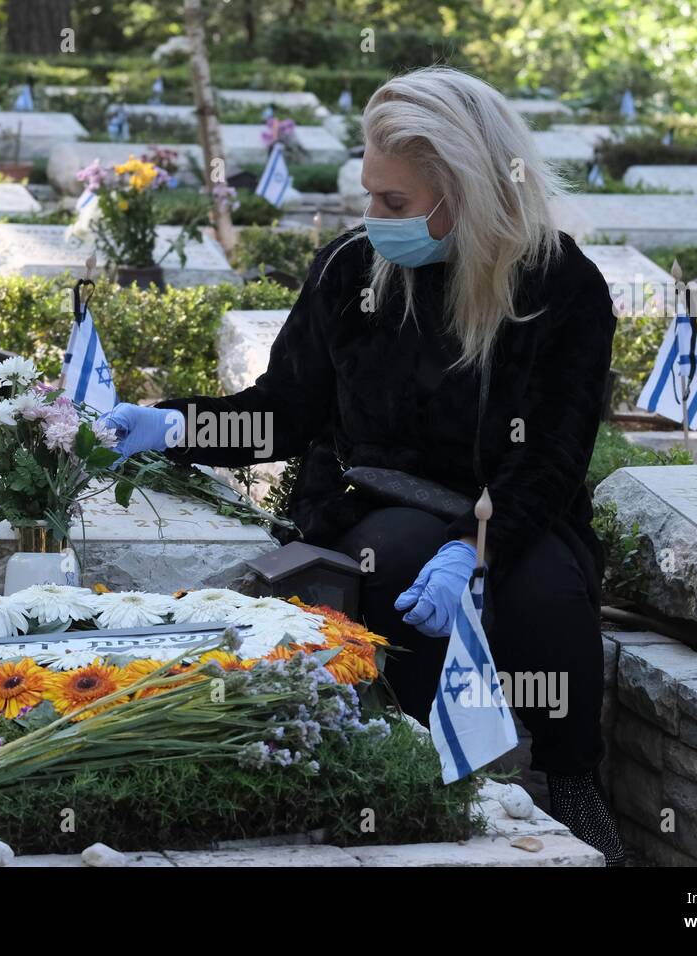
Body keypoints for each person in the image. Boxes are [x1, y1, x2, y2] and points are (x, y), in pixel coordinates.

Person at [99, 66, 623, 865]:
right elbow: (283, 409)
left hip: (512, 505)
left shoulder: (560, 287)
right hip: (370, 503)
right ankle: (432, 783)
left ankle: (573, 781)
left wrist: (472, 548)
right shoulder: (353, 271)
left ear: (468, 191)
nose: (373, 218)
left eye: (396, 203)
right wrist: (173, 424)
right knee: (403, 567)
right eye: (371, 195)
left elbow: (551, 456)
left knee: (545, 591)